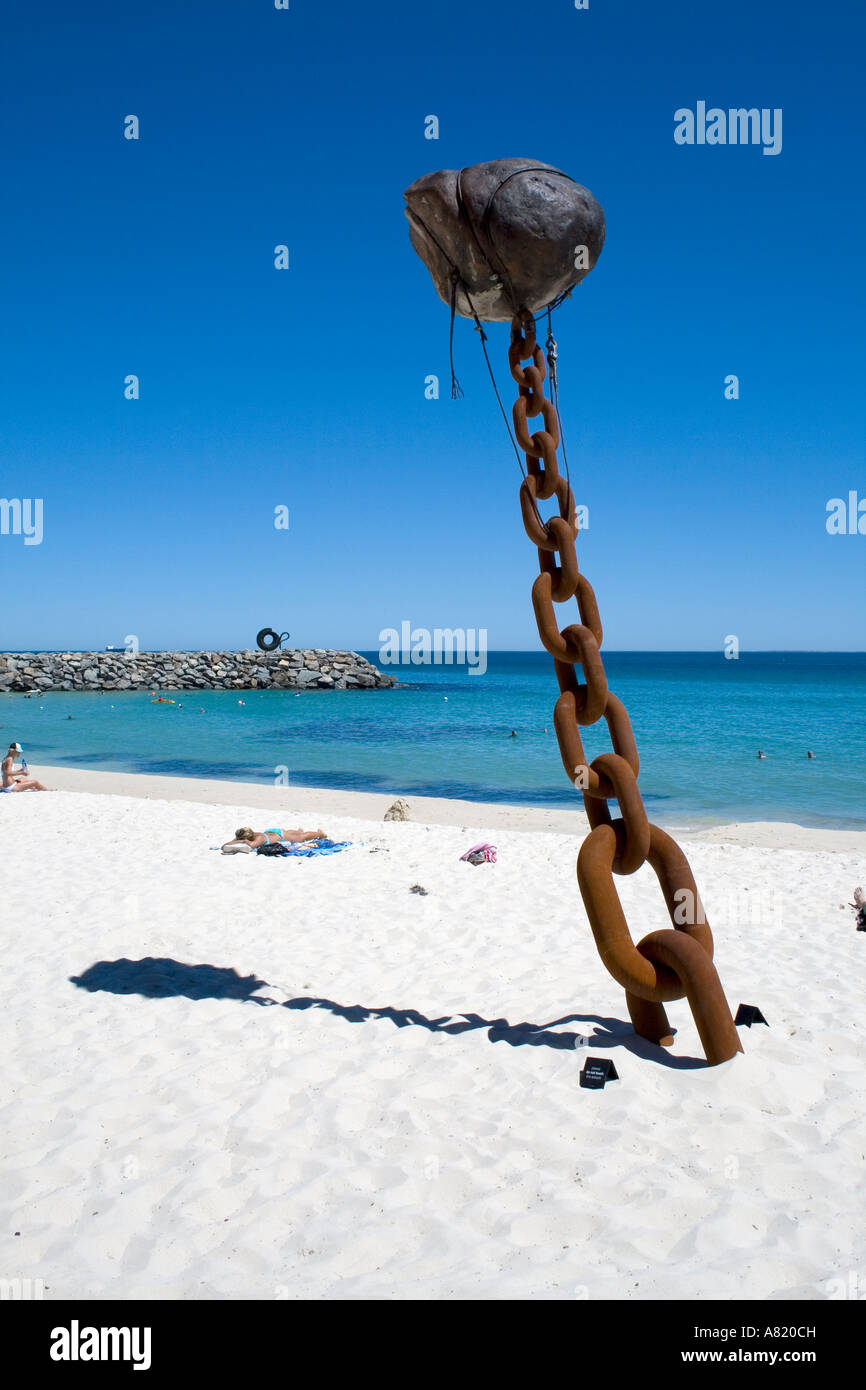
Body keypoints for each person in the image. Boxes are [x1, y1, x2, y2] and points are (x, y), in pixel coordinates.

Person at [221, 825, 328, 852]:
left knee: (301, 837)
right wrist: (232, 841)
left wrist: (242, 841)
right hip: (272, 832)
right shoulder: (255, 834)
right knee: (291, 833)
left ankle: (320, 833)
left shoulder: (259, 839)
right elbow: (224, 846)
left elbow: (252, 845)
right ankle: (298, 830)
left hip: (280, 836)